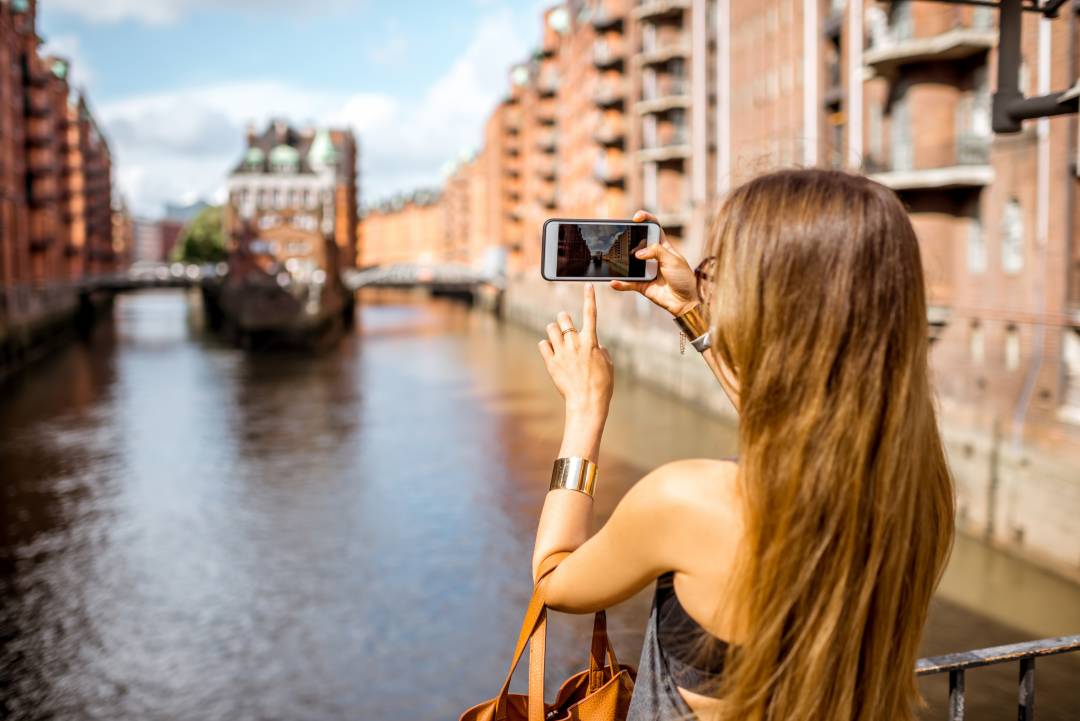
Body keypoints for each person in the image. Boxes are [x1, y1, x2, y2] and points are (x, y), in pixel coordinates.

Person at [532, 169, 955, 721]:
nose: (710, 285)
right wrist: (689, 311)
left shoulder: (688, 501)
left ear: (767, 305)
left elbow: (555, 580)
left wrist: (586, 409)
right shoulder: (918, 484)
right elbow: (805, 427)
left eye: (716, 272)